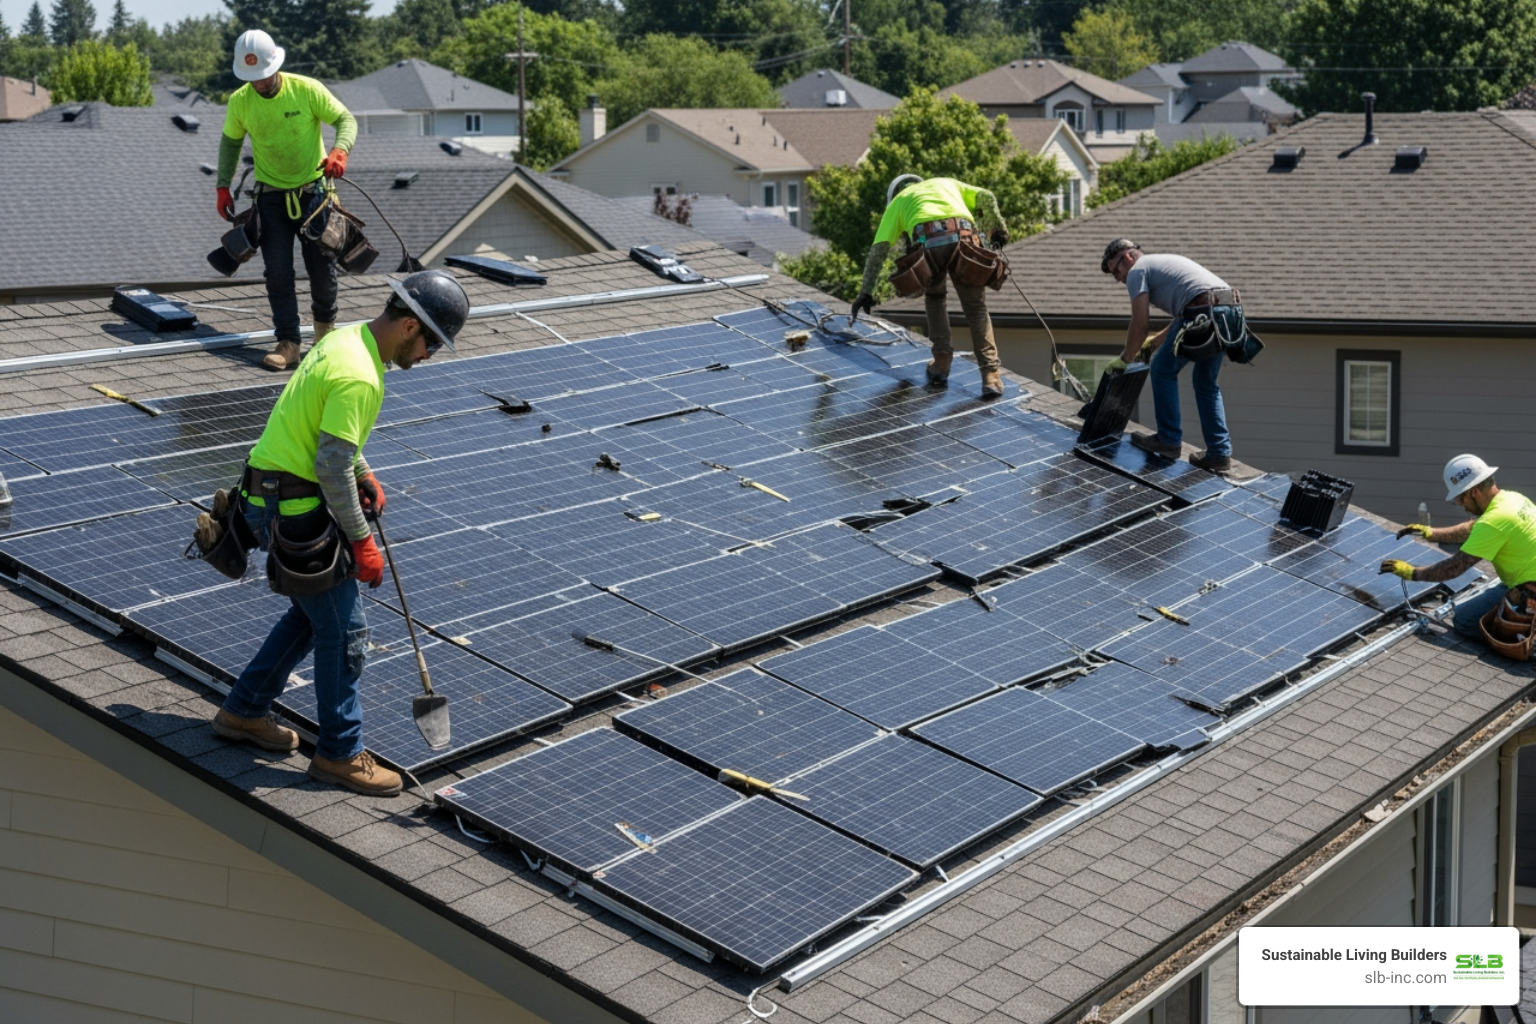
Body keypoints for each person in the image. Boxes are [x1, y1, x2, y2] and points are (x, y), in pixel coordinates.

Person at [209, 271, 469, 796]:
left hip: (268, 494)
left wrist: (363, 470)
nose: (426, 358)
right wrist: (362, 542)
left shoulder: (345, 340)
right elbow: (330, 466)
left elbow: (331, 441)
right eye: (430, 345)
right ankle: (340, 755)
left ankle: (243, 712)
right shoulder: (360, 376)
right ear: (407, 326)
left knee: (313, 619)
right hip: (296, 509)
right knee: (346, 631)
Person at [216, 29, 357, 372]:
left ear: (274, 66)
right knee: (278, 272)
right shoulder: (241, 102)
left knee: (321, 269)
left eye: (263, 76)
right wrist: (222, 185)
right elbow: (231, 143)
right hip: (271, 198)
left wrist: (340, 150)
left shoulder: (306, 89)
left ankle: (324, 339)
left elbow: (345, 119)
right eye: (253, 78)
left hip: (313, 195)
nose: (260, 83)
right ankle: (289, 343)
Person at [851, 175, 1010, 399]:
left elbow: (879, 250)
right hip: (965, 237)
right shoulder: (947, 183)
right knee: (976, 308)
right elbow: (987, 196)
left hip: (929, 241)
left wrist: (865, 292)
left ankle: (942, 363)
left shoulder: (898, 202)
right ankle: (991, 376)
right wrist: (997, 229)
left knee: (935, 298)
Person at [1101, 239, 1240, 474]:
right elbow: (1184, 312)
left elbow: (1140, 322)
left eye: (1116, 270)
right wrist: (1154, 343)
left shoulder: (1138, 270)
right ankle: (1219, 454)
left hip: (1202, 309)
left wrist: (1126, 358)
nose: (1118, 278)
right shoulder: (1162, 263)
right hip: (1228, 309)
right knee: (1206, 383)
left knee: (1162, 370)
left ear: (1128, 258)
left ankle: (1168, 439)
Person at [1380, 454, 1536, 645]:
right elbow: (1473, 529)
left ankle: (1527, 641)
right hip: (1524, 579)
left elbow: (1455, 567)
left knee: (1464, 620)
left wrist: (1412, 573)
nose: (1461, 505)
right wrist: (1431, 533)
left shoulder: (1493, 522)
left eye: (1460, 498)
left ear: (1473, 492)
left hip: (1530, 590)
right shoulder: (1513, 499)